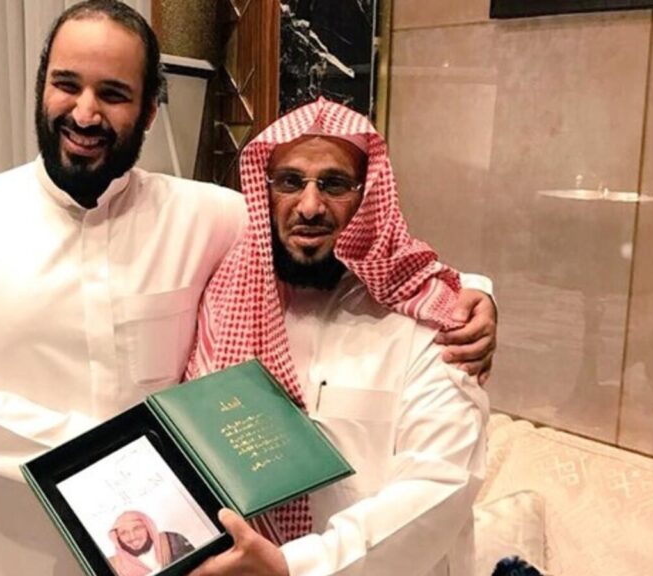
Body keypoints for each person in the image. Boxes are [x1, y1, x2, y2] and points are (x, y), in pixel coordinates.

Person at [0, 2, 495, 575]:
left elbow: (343, 244)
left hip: (160, 556)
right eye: (67, 84)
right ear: (41, 89)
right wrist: (95, 450)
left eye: (113, 93)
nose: (84, 113)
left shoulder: (210, 217)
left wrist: (473, 294)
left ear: (149, 110)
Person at [187, 98, 488, 576]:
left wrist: (293, 566)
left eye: (334, 184)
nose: (309, 206)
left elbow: (439, 483)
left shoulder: (430, 321)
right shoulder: (229, 302)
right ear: (265, 191)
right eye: (290, 182)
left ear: (368, 197)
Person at [107, 511, 195, 576]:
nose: (132, 537)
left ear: (148, 528)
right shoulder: (113, 565)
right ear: (117, 537)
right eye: (124, 533)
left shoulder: (172, 541)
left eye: (137, 528)